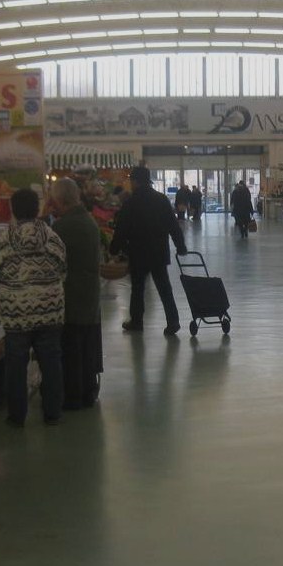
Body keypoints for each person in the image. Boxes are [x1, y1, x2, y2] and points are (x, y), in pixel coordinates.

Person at [0, 188, 67, 427]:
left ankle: (16, 415)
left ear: (13, 210)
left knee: (15, 366)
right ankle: (53, 412)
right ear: (37, 209)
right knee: (51, 361)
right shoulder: (53, 238)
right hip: (50, 309)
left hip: (15, 313)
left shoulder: (3, 242)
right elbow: (63, 270)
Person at [110, 166, 187, 336]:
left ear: (136, 181)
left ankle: (137, 321)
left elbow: (121, 228)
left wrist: (114, 248)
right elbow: (173, 226)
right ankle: (173, 321)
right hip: (159, 252)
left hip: (138, 253)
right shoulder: (161, 200)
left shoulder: (130, 203)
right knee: (165, 288)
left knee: (137, 289)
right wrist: (181, 246)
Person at [49, 178, 103, 410]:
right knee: (87, 346)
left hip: (72, 295)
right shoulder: (88, 221)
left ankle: (73, 396)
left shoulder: (62, 227)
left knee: (72, 349)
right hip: (89, 294)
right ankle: (88, 391)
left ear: (60, 200)